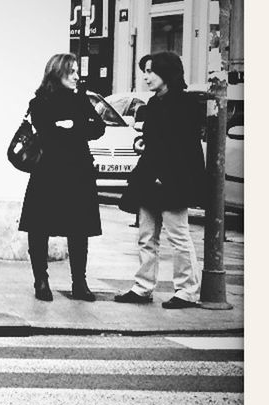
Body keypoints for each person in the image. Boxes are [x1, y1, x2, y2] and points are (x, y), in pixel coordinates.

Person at [115, 51, 205, 309]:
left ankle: (187, 291)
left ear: (166, 73)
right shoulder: (153, 104)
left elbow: (183, 148)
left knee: (178, 236)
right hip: (149, 177)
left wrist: (163, 174)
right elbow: (157, 142)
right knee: (146, 236)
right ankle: (143, 287)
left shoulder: (185, 104)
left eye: (150, 71)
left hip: (173, 180)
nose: (146, 77)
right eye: (145, 71)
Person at [18, 53, 106, 302]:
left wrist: (73, 126)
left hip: (78, 171)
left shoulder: (79, 99)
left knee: (79, 229)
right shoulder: (40, 101)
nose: (77, 76)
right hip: (48, 171)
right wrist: (73, 128)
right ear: (58, 73)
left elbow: (99, 127)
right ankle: (41, 281)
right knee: (40, 227)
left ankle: (80, 282)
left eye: (77, 71)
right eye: (72, 72)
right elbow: (47, 132)